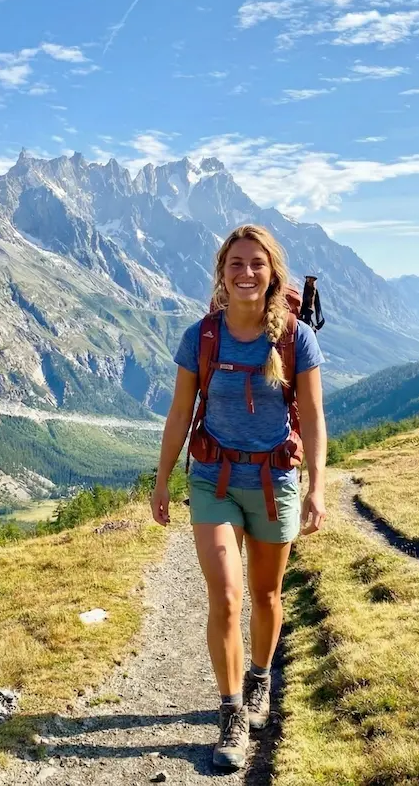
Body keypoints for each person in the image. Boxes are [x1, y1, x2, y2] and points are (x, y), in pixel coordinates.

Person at [149, 224, 327, 771]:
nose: (246, 273)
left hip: (274, 483)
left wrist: (317, 486)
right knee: (226, 597)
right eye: (235, 264)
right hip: (213, 481)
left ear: (273, 272)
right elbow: (181, 413)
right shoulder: (201, 337)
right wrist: (162, 480)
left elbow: (315, 417)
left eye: (256, 264)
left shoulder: (296, 338)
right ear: (221, 274)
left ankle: (258, 679)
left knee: (266, 594)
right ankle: (230, 714)